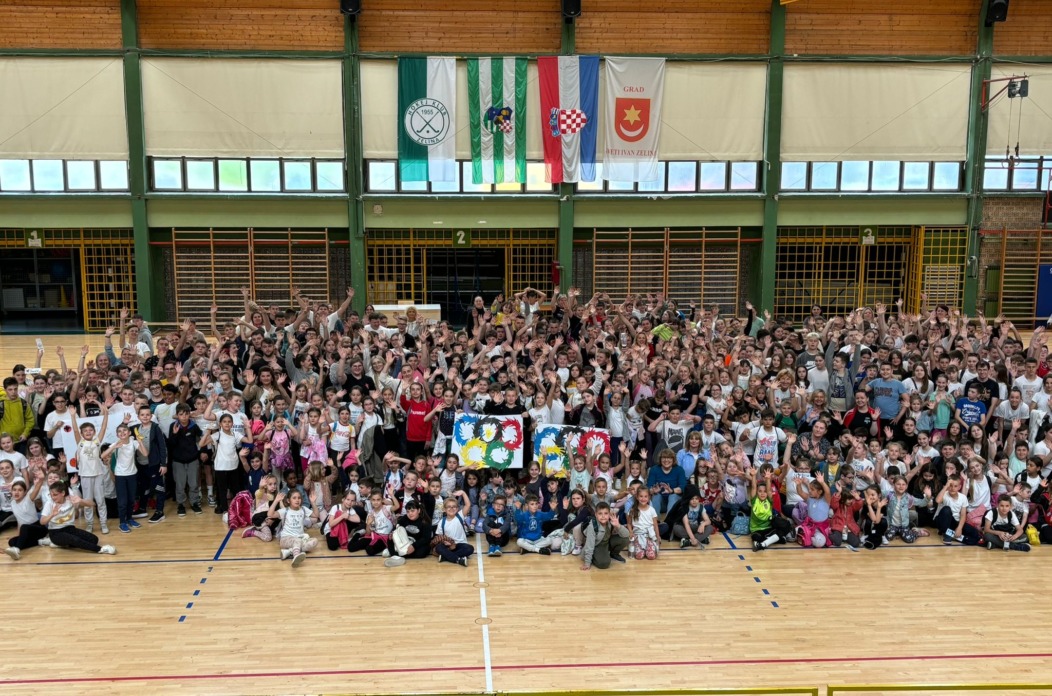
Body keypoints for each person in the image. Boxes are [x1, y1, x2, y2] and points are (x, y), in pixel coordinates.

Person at [40, 480, 116, 555]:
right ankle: (101, 549)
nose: (53, 497)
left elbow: (92, 504)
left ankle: (62, 544)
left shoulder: (70, 500)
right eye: (51, 495)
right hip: (55, 532)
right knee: (74, 539)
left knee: (94, 539)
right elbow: (42, 522)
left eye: (55, 495)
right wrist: (52, 514)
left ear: (63, 493)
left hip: (70, 529)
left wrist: (81, 500)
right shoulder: (49, 503)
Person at [580, 501, 629, 570]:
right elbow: (589, 546)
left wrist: (618, 525)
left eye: (606, 513)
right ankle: (595, 557)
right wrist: (587, 563)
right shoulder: (592, 526)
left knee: (625, 539)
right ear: (596, 515)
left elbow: (627, 535)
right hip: (596, 545)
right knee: (604, 564)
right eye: (600, 513)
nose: (603, 516)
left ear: (609, 514)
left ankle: (613, 554)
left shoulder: (610, 521)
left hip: (606, 543)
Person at [274, 489, 318, 567]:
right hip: (285, 539)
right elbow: (270, 514)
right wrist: (276, 501)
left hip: (298, 538)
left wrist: (313, 503)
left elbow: (316, 515)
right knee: (297, 540)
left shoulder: (303, 509)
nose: (297, 500)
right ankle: (296, 555)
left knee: (314, 541)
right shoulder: (285, 510)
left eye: (299, 498)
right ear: (288, 500)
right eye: (294, 498)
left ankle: (289, 552)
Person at [433, 497, 474, 566]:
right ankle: (459, 559)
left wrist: (463, 493)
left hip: (460, 545)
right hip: (448, 546)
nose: (451, 508)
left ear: (457, 509)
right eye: (449, 507)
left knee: (470, 549)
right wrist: (445, 542)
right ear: (444, 509)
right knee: (438, 547)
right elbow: (439, 537)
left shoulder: (460, 516)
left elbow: (468, 505)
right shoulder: (442, 522)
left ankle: (445, 557)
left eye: (454, 506)